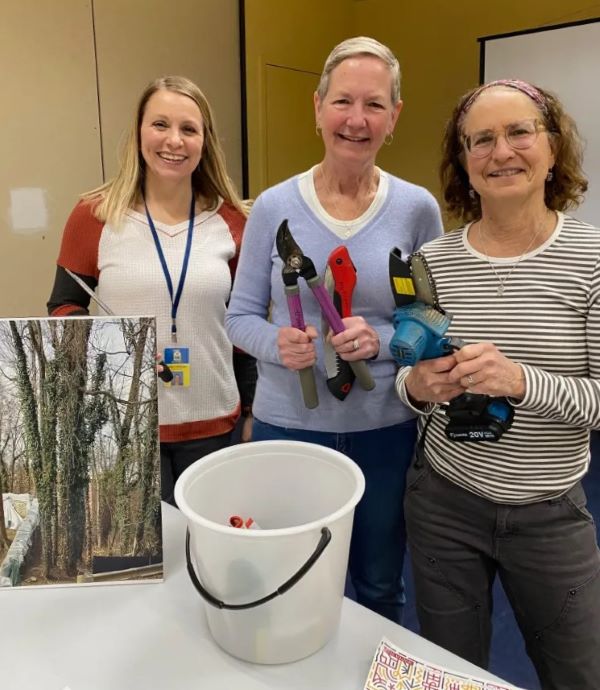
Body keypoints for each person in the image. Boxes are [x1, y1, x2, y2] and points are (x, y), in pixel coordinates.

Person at [225, 37, 442, 624]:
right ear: (317, 106)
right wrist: (279, 344)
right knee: (286, 583)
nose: (356, 119)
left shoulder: (418, 208)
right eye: (343, 101)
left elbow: (429, 317)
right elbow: (238, 316)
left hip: (384, 430)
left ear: (394, 117)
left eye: (374, 104)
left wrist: (389, 344)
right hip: (289, 426)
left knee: (379, 585)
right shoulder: (271, 207)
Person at [395, 79, 600, 689]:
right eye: (481, 139)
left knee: (577, 674)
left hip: (549, 515)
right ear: (463, 161)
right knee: (448, 673)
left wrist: (520, 381)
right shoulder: (433, 259)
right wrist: (418, 387)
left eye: (519, 133)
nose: (501, 151)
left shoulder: (593, 258)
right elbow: (409, 372)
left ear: (553, 147)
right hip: (442, 504)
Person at [47, 75, 256, 506]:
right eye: (160, 124)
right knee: (145, 568)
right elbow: (63, 305)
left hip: (215, 423)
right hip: (126, 425)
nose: (173, 141)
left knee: (206, 558)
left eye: (188, 129)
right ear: (139, 131)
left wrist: (252, 410)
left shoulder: (234, 222)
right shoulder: (94, 216)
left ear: (205, 141)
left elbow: (243, 329)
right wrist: (114, 348)